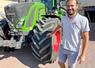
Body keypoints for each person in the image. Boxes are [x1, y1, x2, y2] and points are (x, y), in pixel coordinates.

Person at [51, 0, 90, 68]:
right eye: (68, 6)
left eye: (72, 5)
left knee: (70, 66)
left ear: (77, 6)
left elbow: (86, 38)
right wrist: (53, 32)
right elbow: (59, 25)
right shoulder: (64, 18)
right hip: (63, 47)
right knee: (60, 62)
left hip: (74, 50)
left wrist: (83, 54)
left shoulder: (83, 20)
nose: (70, 8)